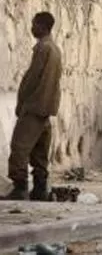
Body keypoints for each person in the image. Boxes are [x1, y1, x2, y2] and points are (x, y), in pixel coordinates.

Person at [5, 12, 62, 201]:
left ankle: (20, 188)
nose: (32, 28)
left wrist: (22, 103)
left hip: (34, 106)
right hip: (46, 109)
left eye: (34, 24)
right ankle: (39, 190)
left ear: (42, 26)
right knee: (39, 152)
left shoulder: (42, 48)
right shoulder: (55, 49)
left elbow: (31, 79)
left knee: (19, 147)